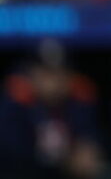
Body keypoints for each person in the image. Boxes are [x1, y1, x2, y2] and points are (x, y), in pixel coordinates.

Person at [0, 40, 104, 179]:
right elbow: (11, 154)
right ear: (31, 74)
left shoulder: (80, 99)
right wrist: (65, 159)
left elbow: (89, 138)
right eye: (46, 74)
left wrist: (88, 151)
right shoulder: (15, 101)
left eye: (61, 73)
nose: (54, 82)